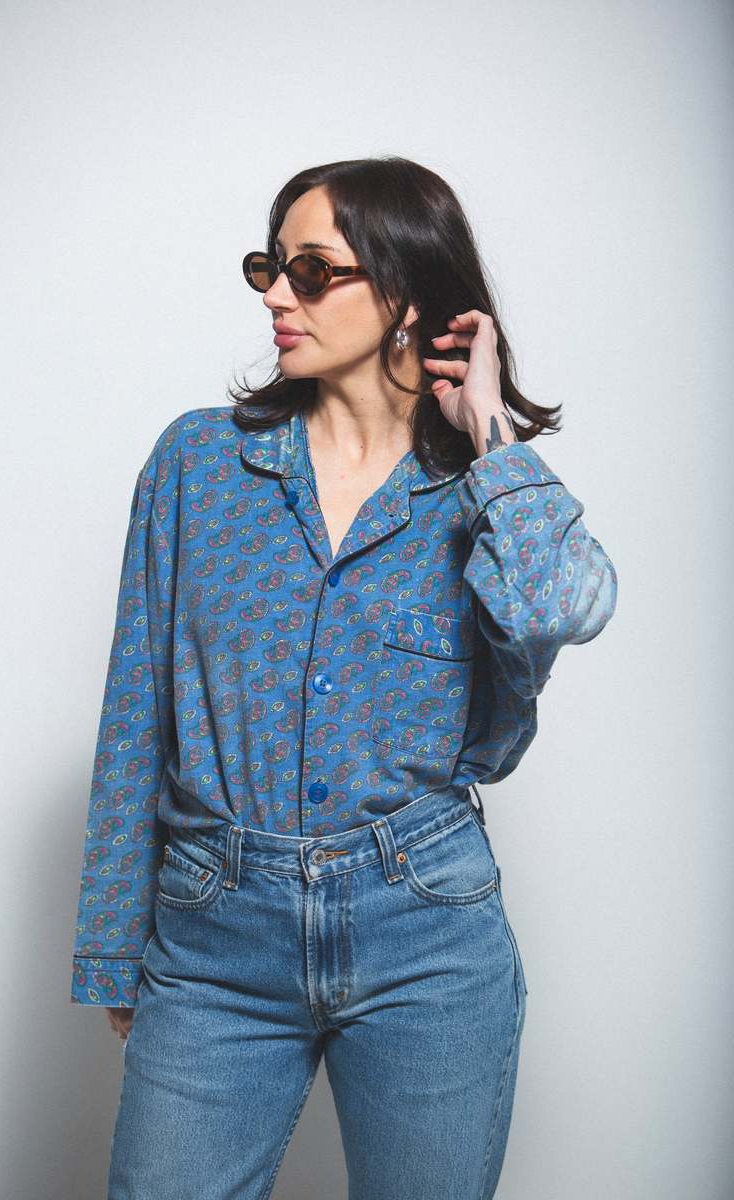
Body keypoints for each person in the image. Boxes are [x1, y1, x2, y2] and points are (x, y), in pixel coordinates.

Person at [70, 156, 618, 1199]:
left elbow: (565, 607)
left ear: (404, 293)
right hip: (215, 933)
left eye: (312, 271)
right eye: (269, 268)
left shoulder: (477, 490)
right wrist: (111, 942)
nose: (276, 296)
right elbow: (136, 709)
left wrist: (490, 431)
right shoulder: (199, 464)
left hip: (425, 930)